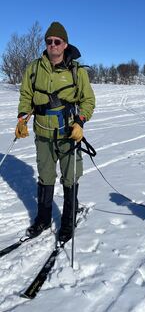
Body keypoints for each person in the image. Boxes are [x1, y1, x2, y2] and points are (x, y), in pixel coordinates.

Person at [15, 21, 95, 243]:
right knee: (45, 176)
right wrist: (23, 117)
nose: (53, 45)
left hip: (69, 133)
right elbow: (25, 96)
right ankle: (43, 219)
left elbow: (88, 100)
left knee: (70, 177)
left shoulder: (77, 71)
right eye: (49, 41)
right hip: (42, 133)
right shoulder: (33, 68)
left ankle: (68, 221)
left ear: (65, 44)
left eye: (57, 41)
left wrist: (80, 121)